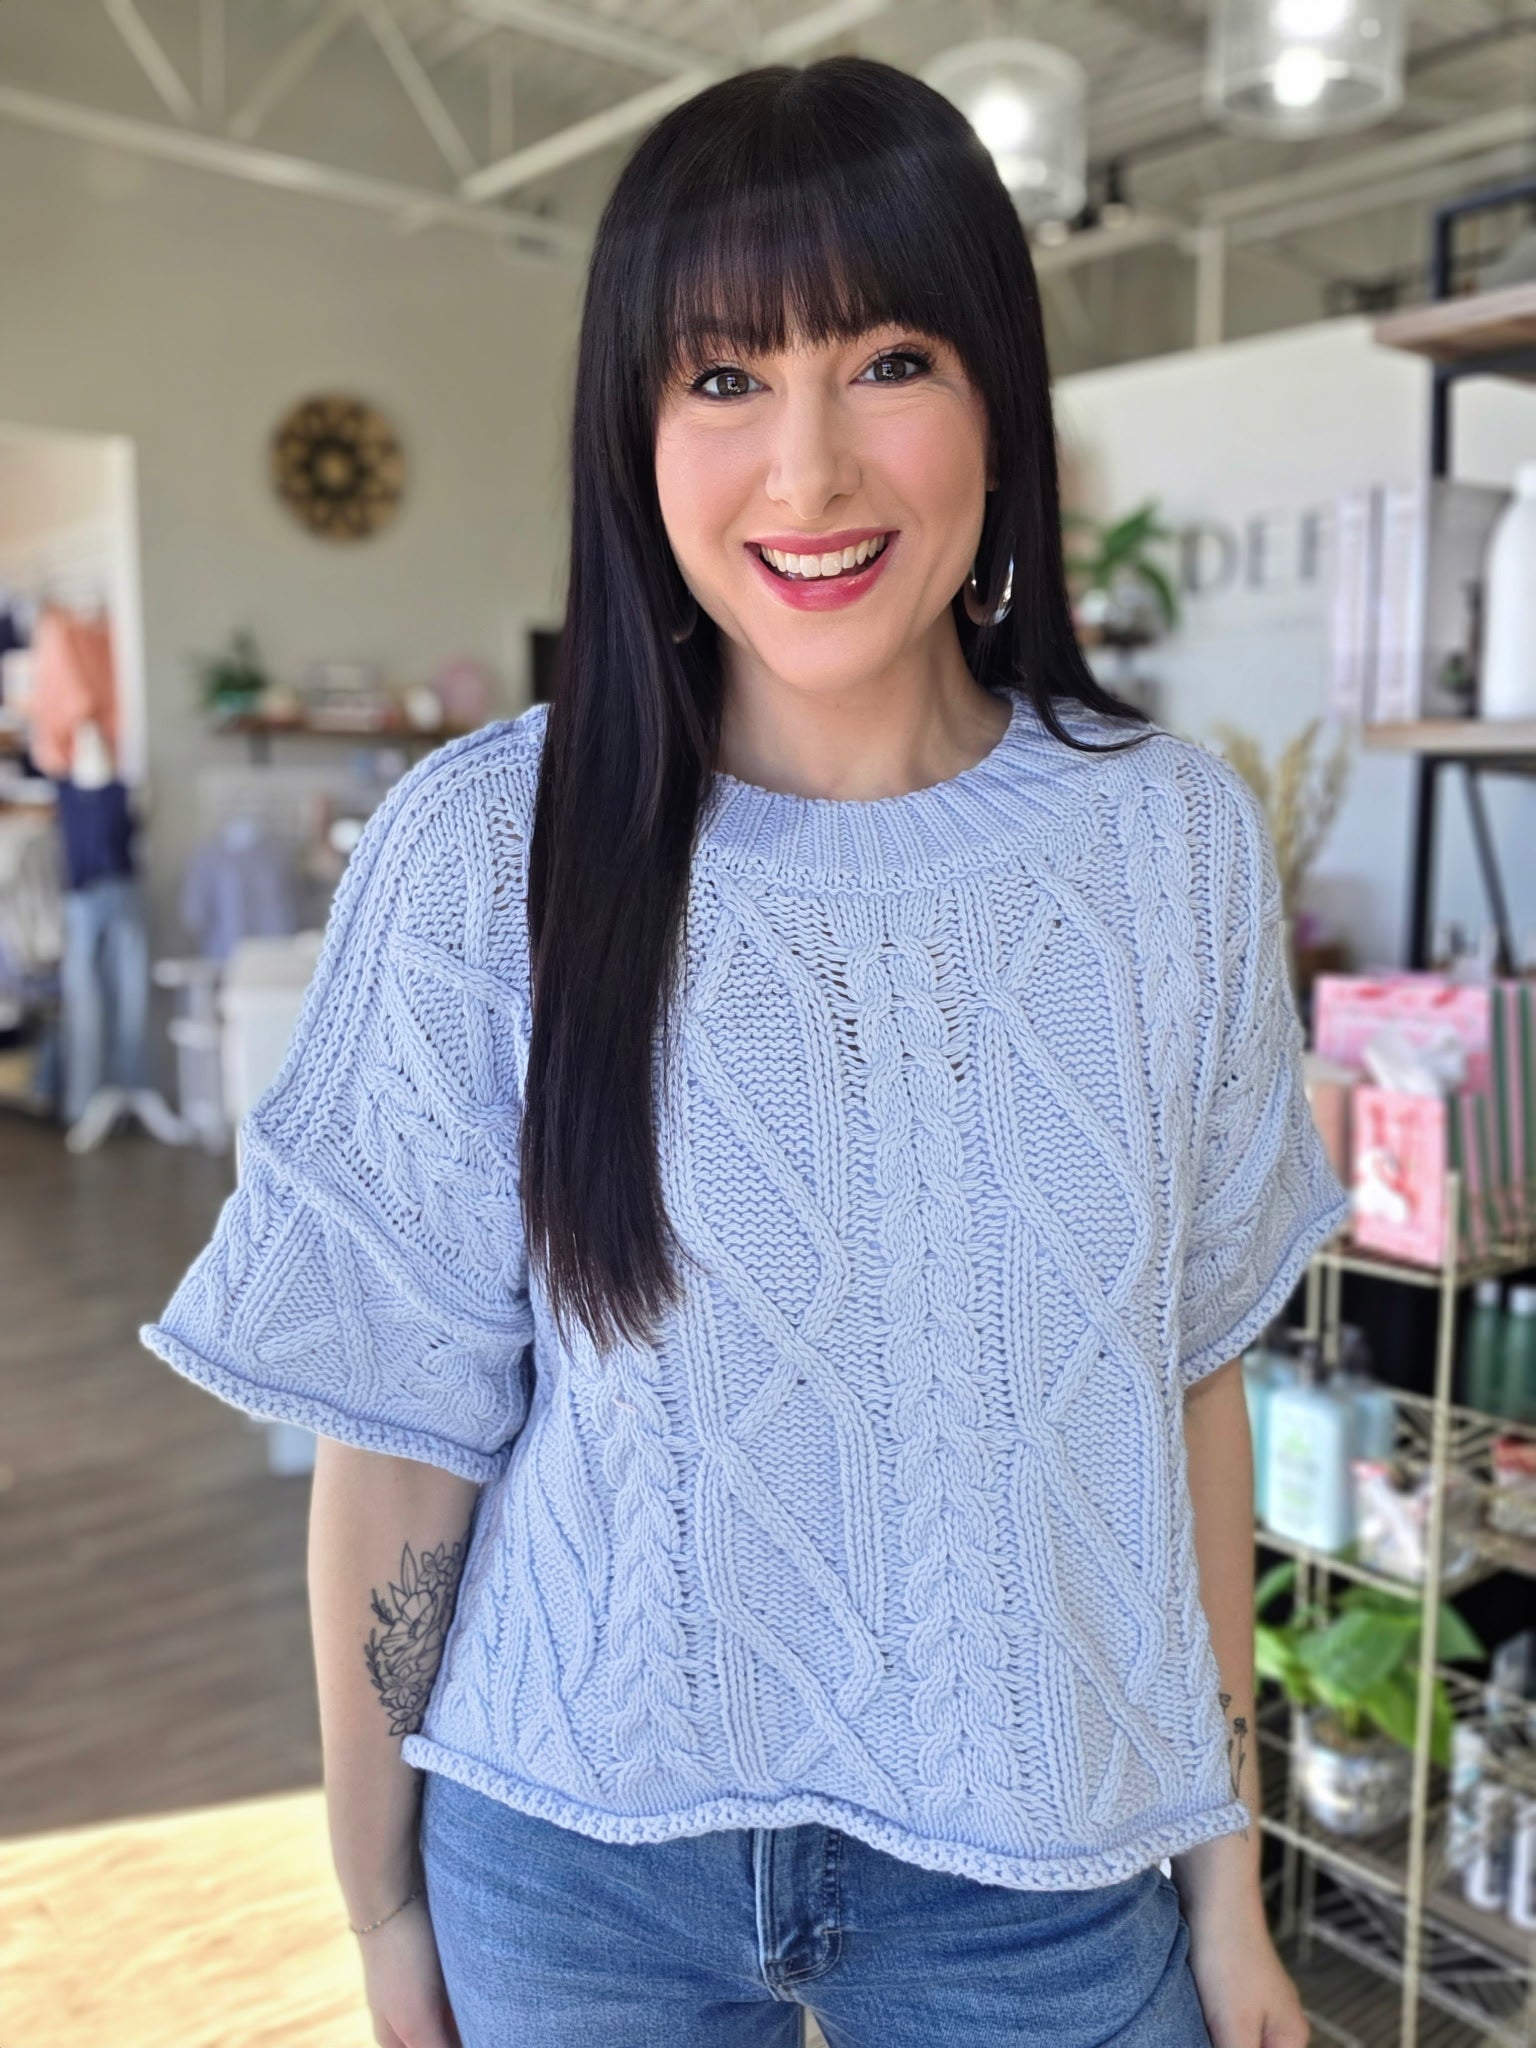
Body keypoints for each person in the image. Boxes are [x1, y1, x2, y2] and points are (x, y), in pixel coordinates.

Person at [141, 53, 1349, 2048]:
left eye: (889, 362)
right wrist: (380, 1910)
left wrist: (1229, 1890)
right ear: (636, 434)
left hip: (1043, 1866)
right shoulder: (489, 850)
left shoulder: (1168, 845)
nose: (807, 472)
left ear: (1000, 402)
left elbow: (1186, 1396)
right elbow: (403, 1442)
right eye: (723, 377)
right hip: (572, 1866)